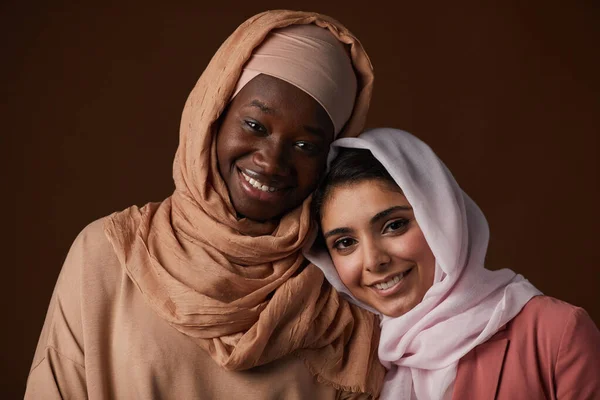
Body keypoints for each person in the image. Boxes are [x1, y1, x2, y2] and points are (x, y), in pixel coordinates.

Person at [24, 10, 386, 399]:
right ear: (213, 116)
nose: (271, 161)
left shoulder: (342, 291)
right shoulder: (108, 256)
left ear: (328, 159)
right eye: (255, 126)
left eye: (305, 146)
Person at [306, 127, 600, 399]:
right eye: (345, 243)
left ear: (441, 217)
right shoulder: (345, 360)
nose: (373, 261)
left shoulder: (555, 333)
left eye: (394, 225)